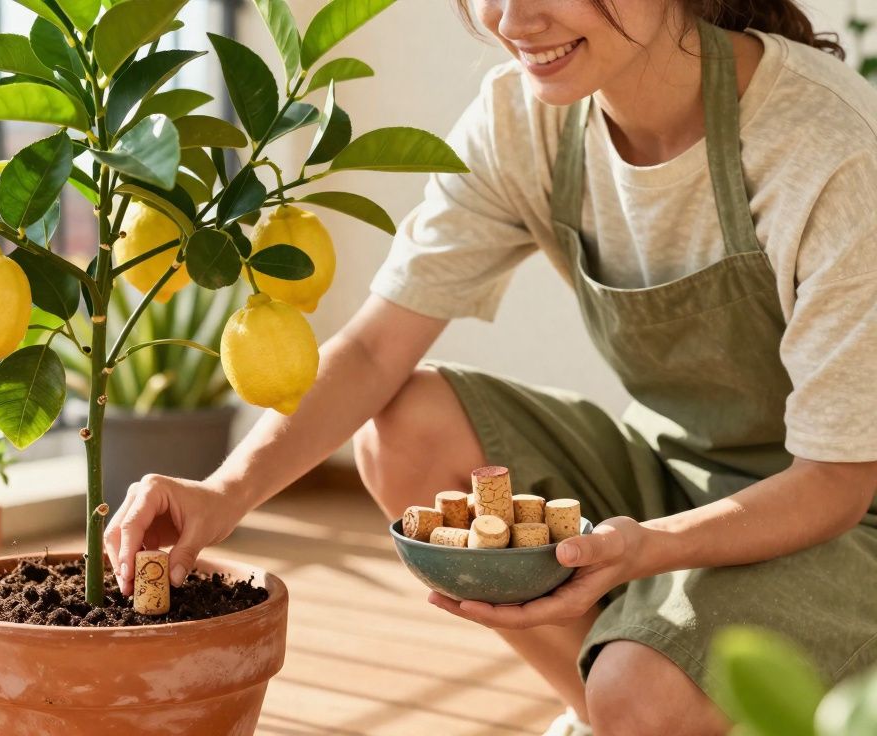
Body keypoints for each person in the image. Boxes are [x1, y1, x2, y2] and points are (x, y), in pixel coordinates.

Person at [104, 1, 877, 733]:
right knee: (406, 427)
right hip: (675, 466)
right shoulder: (525, 119)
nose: (512, 20)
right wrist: (224, 492)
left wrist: (652, 547)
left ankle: (639, 706)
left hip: (846, 513)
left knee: (640, 694)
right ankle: (606, 711)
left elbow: (840, 479)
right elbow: (374, 351)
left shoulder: (824, 145)